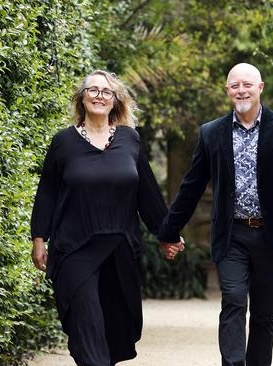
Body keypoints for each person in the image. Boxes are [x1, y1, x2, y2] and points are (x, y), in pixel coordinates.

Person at [158, 63, 273, 366]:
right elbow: (191, 186)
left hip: (272, 236)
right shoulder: (211, 133)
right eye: (235, 85)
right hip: (231, 235)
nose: (241, 90)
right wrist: (168, 230)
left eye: (247, 84)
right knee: (232, 299)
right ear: (227, 90)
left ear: (261, 88)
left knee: (264, 314)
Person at [30, 70, 168, 366]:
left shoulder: (130, 140)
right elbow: (47, 193)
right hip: (74, 249)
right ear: (82, 97)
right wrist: (39, 238)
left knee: (113, 326)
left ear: (115, 101)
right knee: (86, 321)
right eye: (92, 90)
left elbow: (147, 193)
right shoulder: (63, 142)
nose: (99, 96)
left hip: (119, 248)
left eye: (106, 92)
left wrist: (166, 233)